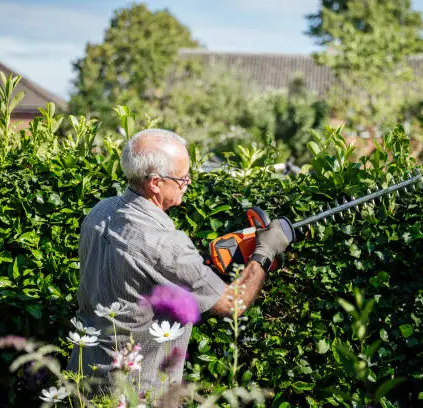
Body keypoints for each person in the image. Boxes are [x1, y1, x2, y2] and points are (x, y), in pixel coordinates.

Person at [67, 128, 289, 394]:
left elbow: (145, 273)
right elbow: (233, 304)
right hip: (135, 392)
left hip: (84, 375)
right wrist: (264, 252)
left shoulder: (100, 211)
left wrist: (204, 263)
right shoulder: (164, 243)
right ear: (155, 183)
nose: (189, 183)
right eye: (183, 178)